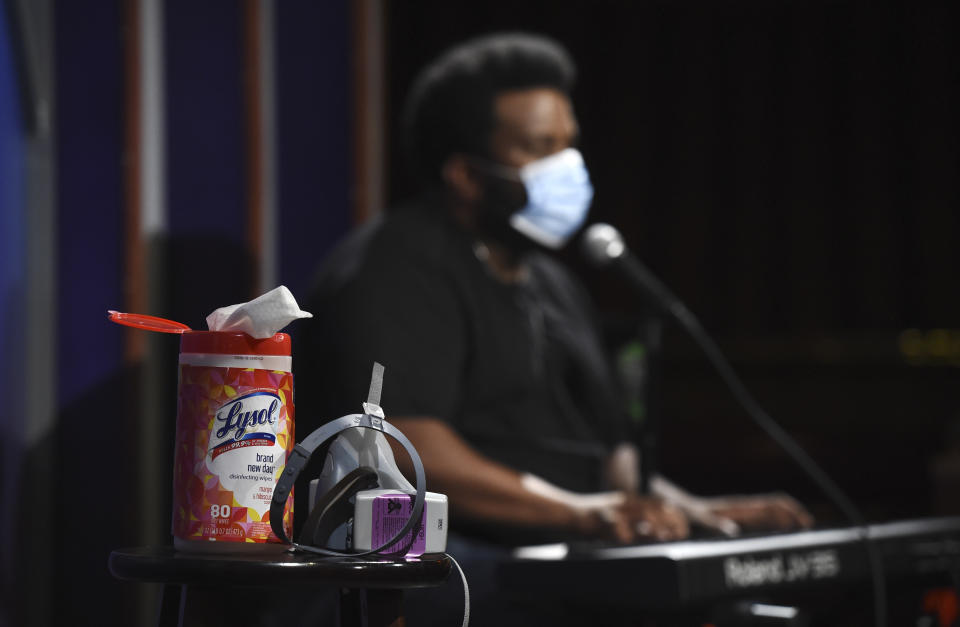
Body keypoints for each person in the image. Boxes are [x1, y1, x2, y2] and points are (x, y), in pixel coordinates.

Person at [296, 31, 812, 624]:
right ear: (466, 174)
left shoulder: (555, 284)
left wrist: (696, 512)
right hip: (445, 556)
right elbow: (403, 445)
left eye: (569, 144)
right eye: (540, 147)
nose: (567, 166)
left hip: (562, 544)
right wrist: (582, 513)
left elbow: (610, 457)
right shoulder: (394, 265)